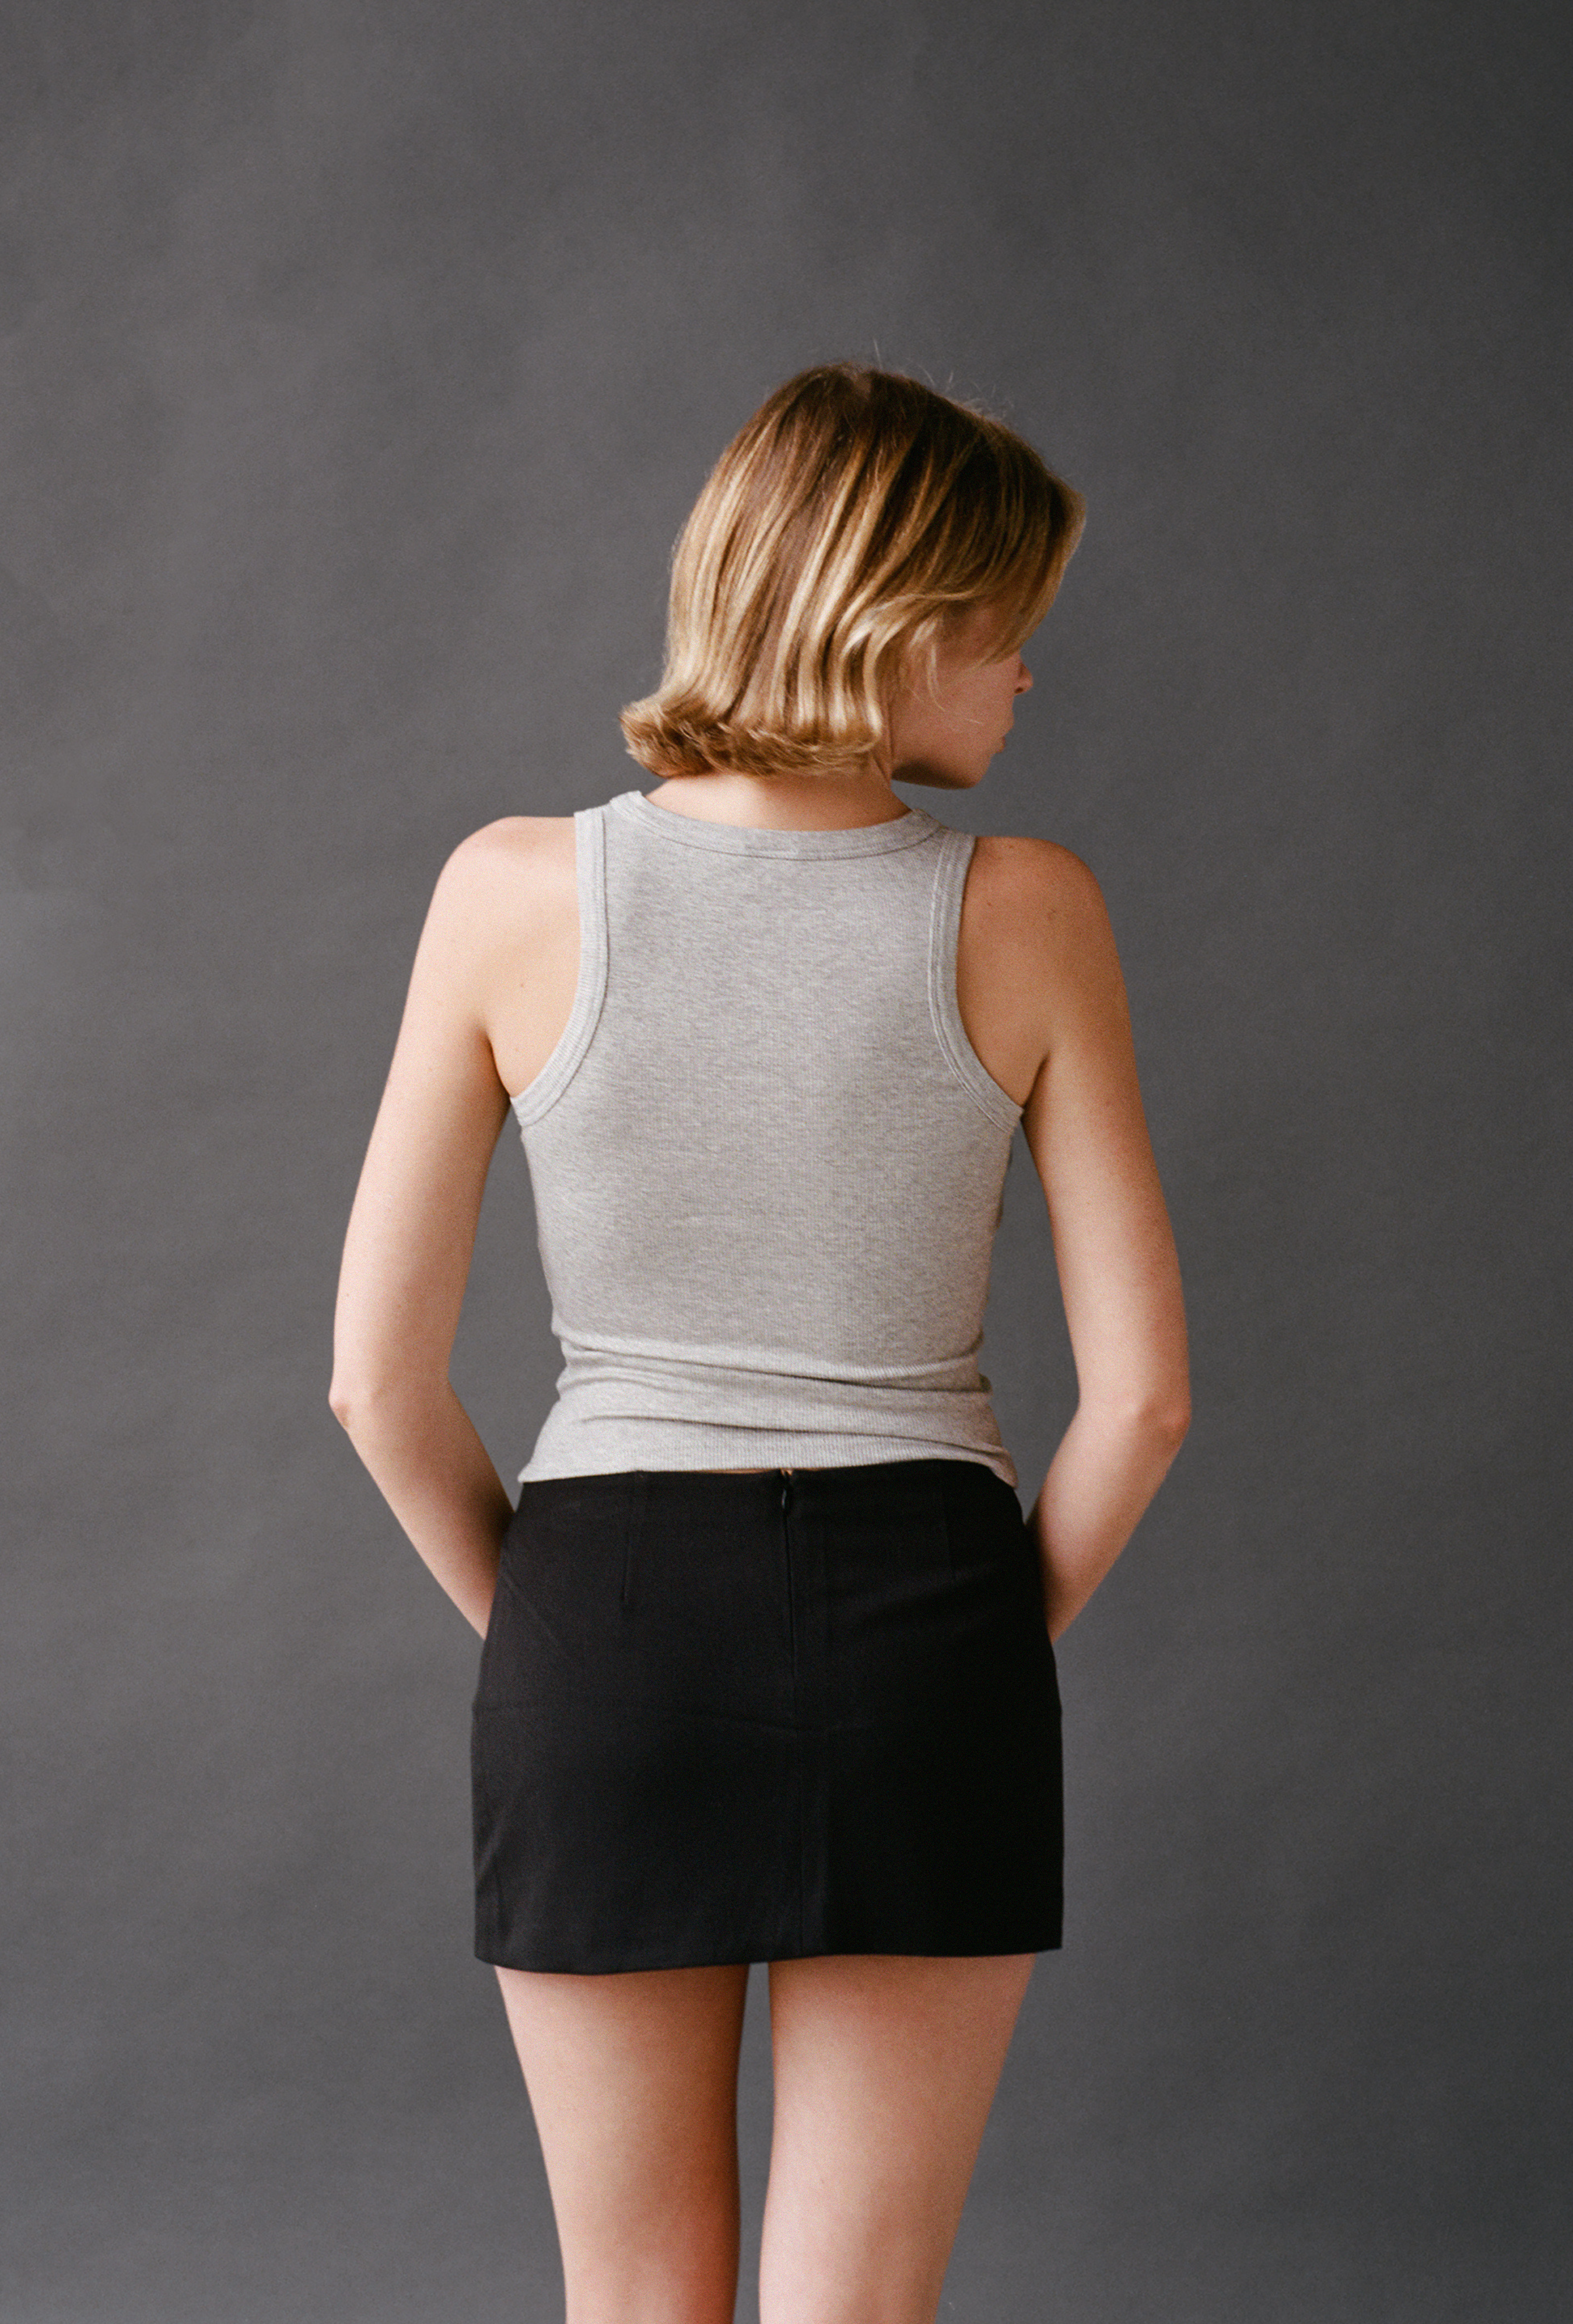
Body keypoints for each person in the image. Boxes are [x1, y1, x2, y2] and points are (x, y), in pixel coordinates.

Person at [329, 362, 1190, 2324]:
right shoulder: (1028, 908)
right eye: (1012, 631)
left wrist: (557, 1626)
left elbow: (377, 1383)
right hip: (926, 1607)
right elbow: (1141, 1401)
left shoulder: (509, 891)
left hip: (606, 1607)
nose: (1031, 680)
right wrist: (967, 1640)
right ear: (899, 625)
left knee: (632, 2298)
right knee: (857, 2305)